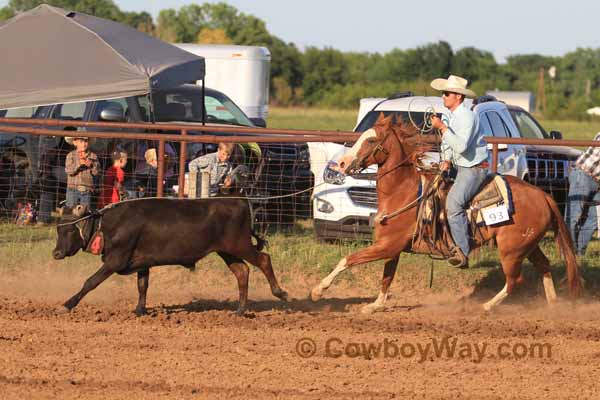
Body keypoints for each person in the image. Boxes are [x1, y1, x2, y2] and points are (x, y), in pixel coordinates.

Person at [429, 75, 488, 268]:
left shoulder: (466, 117)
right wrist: (446, 159)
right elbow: (450, 144)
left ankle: (462, 252)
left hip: (473, 169)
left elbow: (461, 146)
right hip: (460, 166)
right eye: (443, 93)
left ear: (458, 97)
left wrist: (442, 128)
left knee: (454, 206)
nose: (443, 97)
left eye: (447, 93)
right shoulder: (454, 116)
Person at [565, 132, 600, 256]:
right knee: (573, 216)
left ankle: (578, 253)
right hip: (583, 175)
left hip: (595, 181)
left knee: (595, 218)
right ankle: (569, 253)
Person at [64, 135, 99, 209]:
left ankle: (84, 220)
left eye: (86, 141)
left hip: (87, 189)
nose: (84, 144)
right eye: (81, 141)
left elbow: (97, 173)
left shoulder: (93, 156)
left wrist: (92, 166)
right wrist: (79, 164)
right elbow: (68, 170)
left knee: (85, 212)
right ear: (75, 142)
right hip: (72, 188)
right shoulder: (70, 155)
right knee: (71, 210)